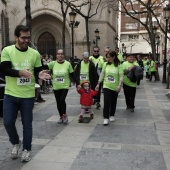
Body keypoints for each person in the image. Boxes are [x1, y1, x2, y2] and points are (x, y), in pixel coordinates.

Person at [0, 25, 51, 162]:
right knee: (8, 122)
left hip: (28, 96)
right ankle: (16, 142)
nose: (26, 40)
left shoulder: (34, 53)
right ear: (16, 37)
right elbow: (4, 69)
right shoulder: (7, 50)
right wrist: (20, 73)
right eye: (23, 37)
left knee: (27, 124)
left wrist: (40, 74)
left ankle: (27, 149)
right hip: (10, 94)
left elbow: (38, 70)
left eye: (28, 37)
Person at [43, 49, 78, 124]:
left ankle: (64, 115)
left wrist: (78, 83)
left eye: (61, 54)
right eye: (58, 54)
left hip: (65, 85)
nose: (60, 55)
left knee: (62, 100)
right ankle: (61, 116)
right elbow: (44, 66)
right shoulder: (53, 63)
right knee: (58, 102)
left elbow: (72, 74)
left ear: (63, 55)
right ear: (56, 55)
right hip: (56, 85)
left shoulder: (68, 64)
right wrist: (39, 59)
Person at [96, 51, 123, 125]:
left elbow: (121, 76)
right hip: (106, 86)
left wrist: (119, 86)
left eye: (109, 57)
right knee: (106, 101)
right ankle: (105, 117)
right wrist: (98, 83)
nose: (108, 59)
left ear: (114, 57)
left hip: (115, 86)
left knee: (113, 101)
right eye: (107, 57)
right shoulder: (105, 64)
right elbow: (102, 74)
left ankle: (112, 114)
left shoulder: (118, 65)